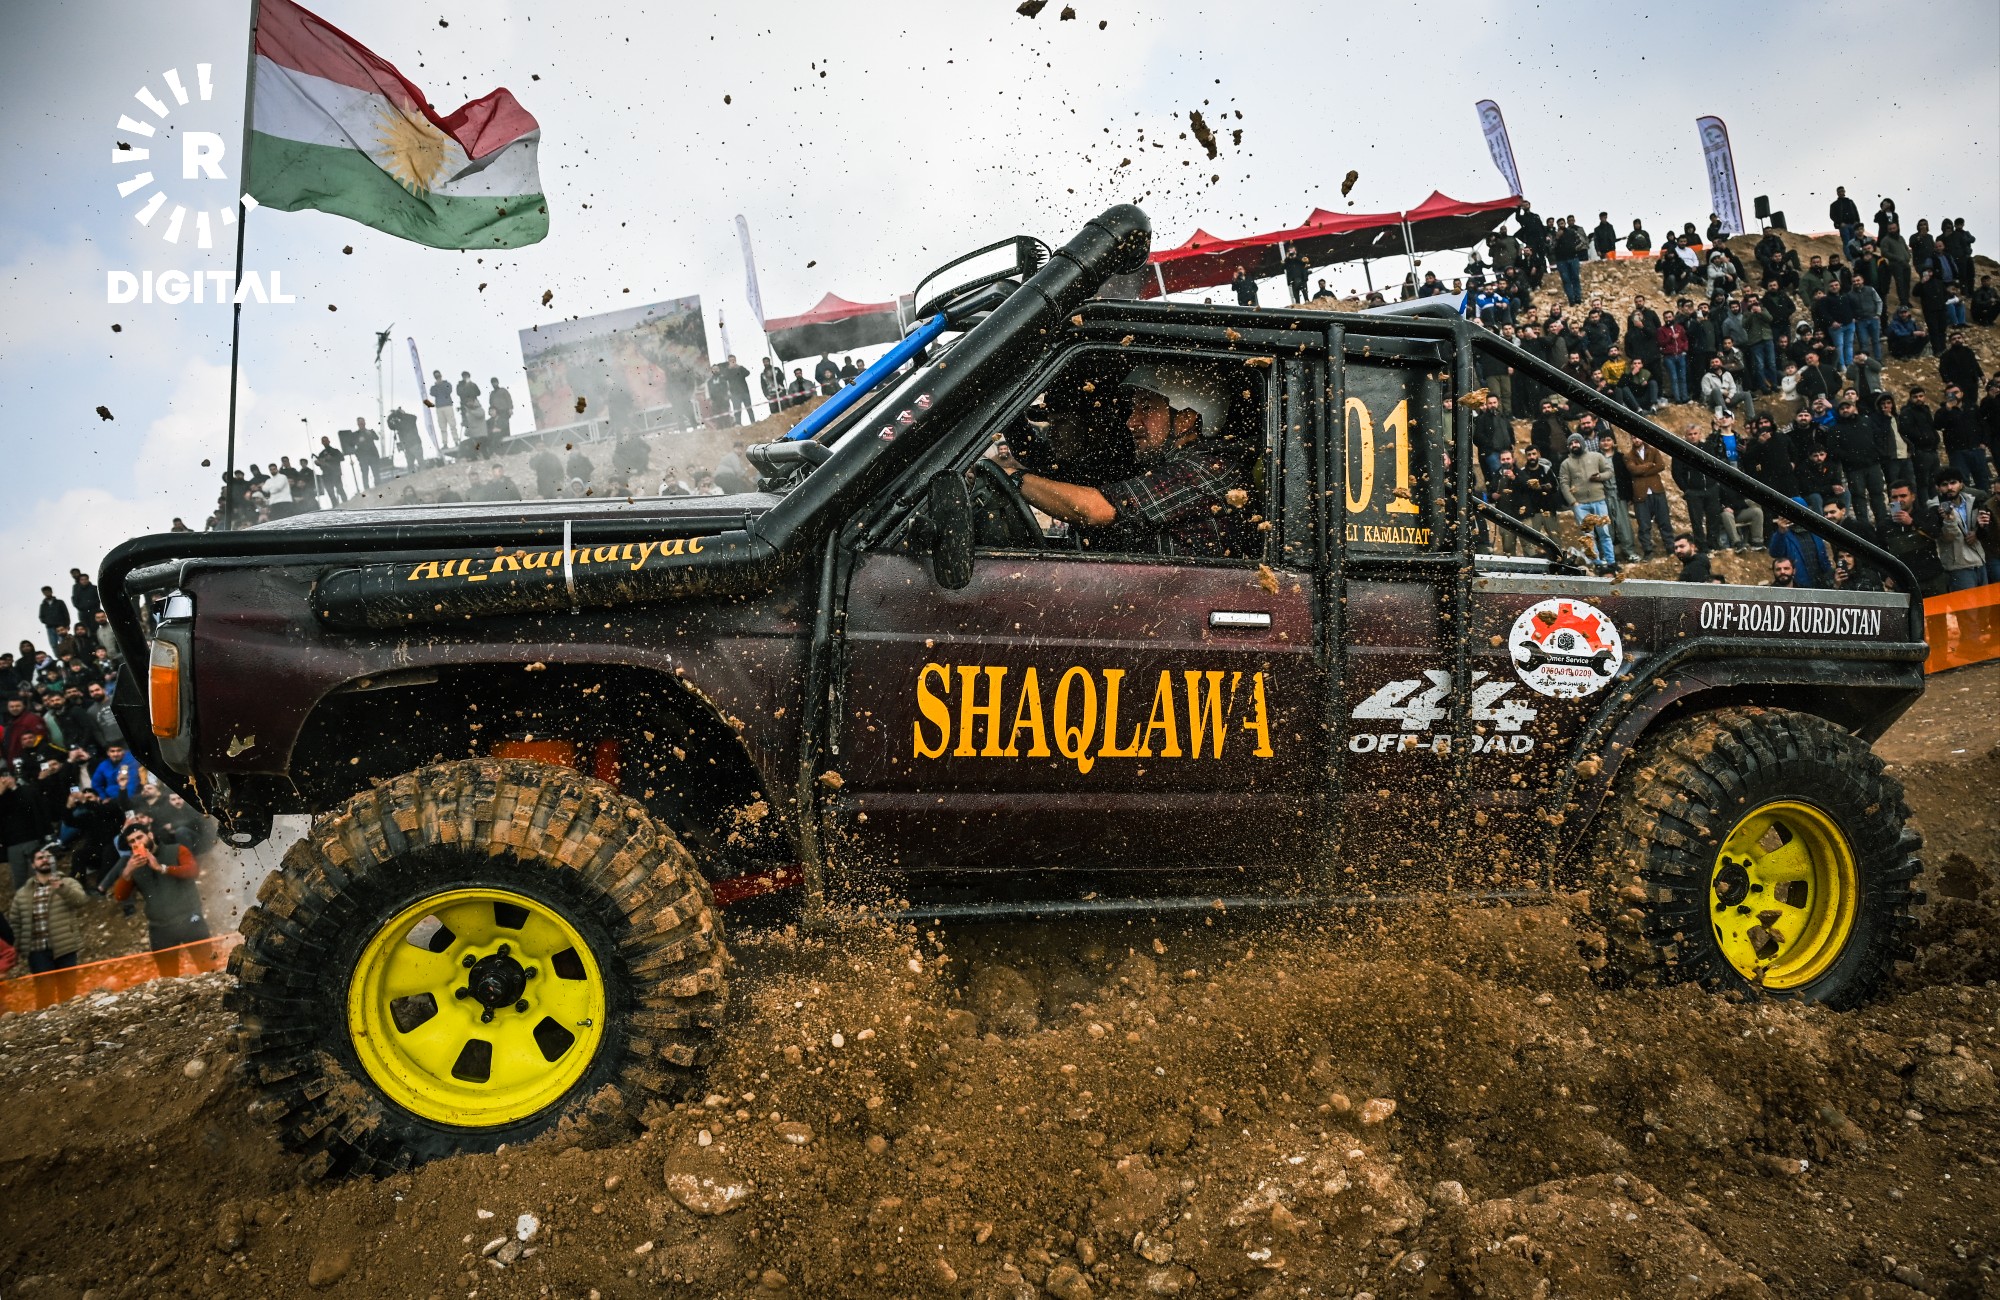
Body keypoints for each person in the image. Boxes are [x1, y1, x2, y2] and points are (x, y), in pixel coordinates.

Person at [991, 363, 1254, 559]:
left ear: (1186, 419)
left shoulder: (1205, 469)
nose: (1131, 421)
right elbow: (1042, 462)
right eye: (1133, 408)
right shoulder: (1160, 463)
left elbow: (1098, 510)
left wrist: (1013, 478)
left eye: (1146, 408)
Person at [111, 824, 209, 951]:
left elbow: (193, 871)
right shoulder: (133, 866)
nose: (137, 843)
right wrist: (127, 872)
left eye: (139, 837)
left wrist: (162, 868)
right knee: (166, 964)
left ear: (150, 835)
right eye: (132, 841)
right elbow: (120, 896)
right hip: (160, 926)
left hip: (189, 917)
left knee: (205, 961)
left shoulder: (176, 850)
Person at [8, 845, 86, 972]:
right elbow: (15, 923)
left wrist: (62, 888)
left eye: (48, 857)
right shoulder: (23, 893)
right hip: (36, 951)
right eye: (40, 858)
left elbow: (81, 901)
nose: (45, 860)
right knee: (45, 985)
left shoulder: (68, 883)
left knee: (69, 985)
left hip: (64, 947)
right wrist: (18, 947)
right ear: (33, 865)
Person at [1557, 433, 1616, 569]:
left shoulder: (1596, 457)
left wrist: (1599, 476)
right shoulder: (1566, 464)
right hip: (1580, 505)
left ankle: (1611, 561)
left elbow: (1609, 471)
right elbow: (1564, 484)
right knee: (1588, 536)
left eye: (1576, 442)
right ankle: (1596, 563)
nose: (1574, 445)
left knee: (1604, 532)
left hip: (1599, 500)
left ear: (1582, 443)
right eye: (1571, 444)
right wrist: (1573, 502)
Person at [1882, 480, 1947, 596]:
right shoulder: (1884, 525)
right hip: (1905, 582)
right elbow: (1880, 551)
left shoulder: (1925, 515)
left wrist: (1912, 523)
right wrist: (1886, 575)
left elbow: (1936, 534)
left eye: (1903, 496)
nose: (1898, 500)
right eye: (1894, 497)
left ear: (1913, 497)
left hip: (1932, 578)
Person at [1929, 467, 1990, 591]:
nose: (1950, 487)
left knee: (1987, 603)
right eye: (1944, 484)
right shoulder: (1935, 509)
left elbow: (1985, 530)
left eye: (1953, 483)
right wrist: (1949, 520)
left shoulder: (1974, 501)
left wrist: (1978, 532)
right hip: (1958, 567)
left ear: (1961, 484)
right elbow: (1947, 538)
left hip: (1980, 561)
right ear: (1938, 488)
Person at [314, 436, 347, 505]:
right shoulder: (321, 454)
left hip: (336, 473)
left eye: (326, 441)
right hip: (326, 475)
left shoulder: (335, 451)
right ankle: (335, 506)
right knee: (330, 492)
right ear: (322, 443)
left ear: (329, 441)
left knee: (340, 489)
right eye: (323, 441)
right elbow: (320, 463)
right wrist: (318, 463)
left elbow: (342, 458)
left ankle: (346, 503)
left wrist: (332, 458)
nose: (325, 442)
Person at [456, 371, 487, 446]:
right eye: (464, 376)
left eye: (467, 376)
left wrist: (471, 386)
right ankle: (471, 438)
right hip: (465, 405)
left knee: (476, 419)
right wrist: (466, 386)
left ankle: (477, 439)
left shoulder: (473, 384)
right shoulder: (460, 385)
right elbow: (459, 393)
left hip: (474, 405)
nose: (465, 377)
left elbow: (478, 393)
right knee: (466, 422)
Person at [37, 586, 70, 656]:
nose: (47, 593)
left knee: (64, 641)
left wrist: (67, 625)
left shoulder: (59, 602)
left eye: (48, 591)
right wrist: (48, 621)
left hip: (60, 626)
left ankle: (68, 655)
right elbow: (41, 617)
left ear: (51, 592)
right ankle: (59, 657)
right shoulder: (43, 605)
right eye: (45, 592)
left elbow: (66, 613)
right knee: (53, 644)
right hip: (50, 628)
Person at [429, 370, 458, 443]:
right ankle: (445, 443)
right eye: (436, 376)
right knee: (442, 426)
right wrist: (437, 385)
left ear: (441, 375)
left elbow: (449, 391)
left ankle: (456, 441)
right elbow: (432, 393)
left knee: (452, 425)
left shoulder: (446, 384)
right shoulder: (434, 387)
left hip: (447, 406)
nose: (438, 377)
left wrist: (440, 384)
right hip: (439, 407)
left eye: (438, 375)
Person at [350, 417, 380, 489]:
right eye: (360, 422)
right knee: (365, 474)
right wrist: (358, 441)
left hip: (373, 455)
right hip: (363, 457)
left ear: (365, 423)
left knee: (376, 472)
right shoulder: (355, 434)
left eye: (362, 422)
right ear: (358, 424)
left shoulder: (370, 431)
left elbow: (377, 438)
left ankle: (379, 487)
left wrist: (370, 434)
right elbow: (351, 444)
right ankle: (367, 489)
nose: (361, 424)